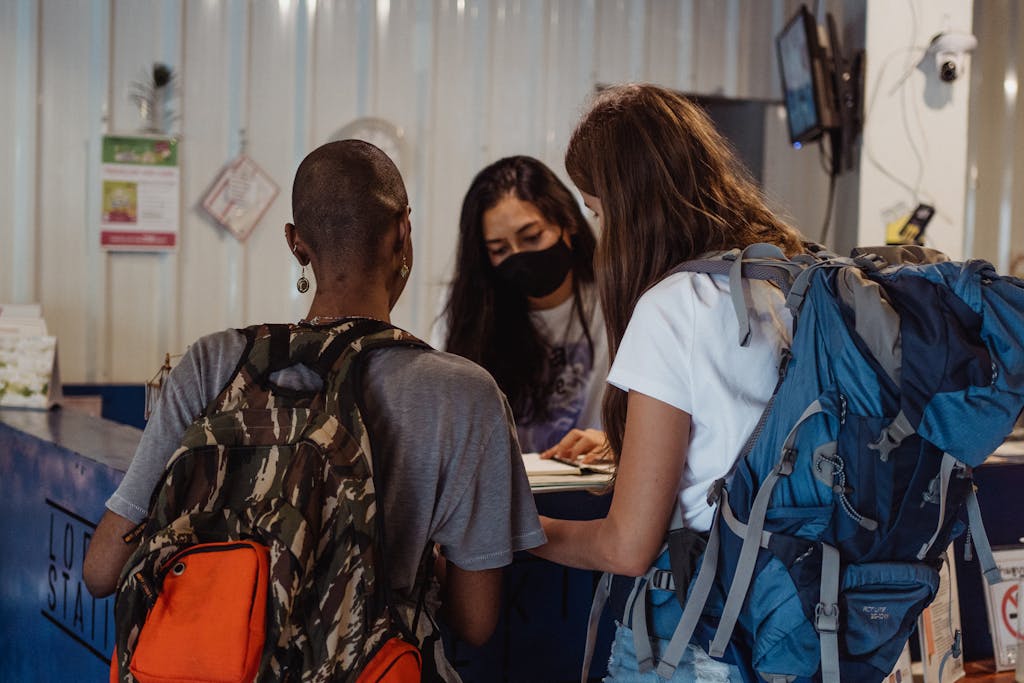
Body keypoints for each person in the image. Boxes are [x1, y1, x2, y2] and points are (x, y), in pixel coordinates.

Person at [83, 139, 546, 681]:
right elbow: (477, 620)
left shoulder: (214, 363)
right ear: (403, 232)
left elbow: (101, 571)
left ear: (295, 243)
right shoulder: (465, 394)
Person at [532, 84, 805, 681]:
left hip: (698, 641)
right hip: (795, 630)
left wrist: (523, 530)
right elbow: (748, 444)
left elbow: (627, 548)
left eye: (598, 212)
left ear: (627, 207)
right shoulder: (789, 278)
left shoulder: (673, 304)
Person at [436, 155, 609, 455]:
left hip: (592, 485)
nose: (519, 256)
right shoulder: (470, 312)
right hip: (504, 491)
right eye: (499, 249)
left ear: (567, 223)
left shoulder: (613, 303)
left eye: (531, 237)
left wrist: (616, 444)